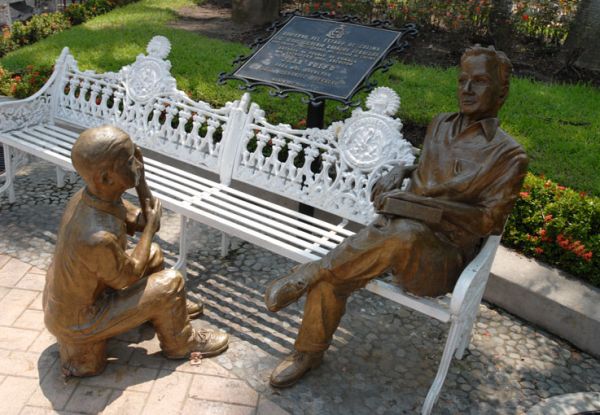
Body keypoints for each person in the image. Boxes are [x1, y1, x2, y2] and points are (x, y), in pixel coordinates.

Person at [264, 45, 529, 388]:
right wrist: (401, 171)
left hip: (439, 257)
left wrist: (432, 210)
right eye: (463, 80)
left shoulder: (509, 155)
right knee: (340, 273)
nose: (466, 89)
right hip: (390, 233)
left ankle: (309, 271)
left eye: (479, 82)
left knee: (400, 235)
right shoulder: (441, 124)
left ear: (502, 91)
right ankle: (308, 352)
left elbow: (489, 222)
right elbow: (429, 166)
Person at [43, 125, 228, 377]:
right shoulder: (96, 236)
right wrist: (149, 228)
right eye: (130, 160)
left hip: (84, 299)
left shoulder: (97, 197)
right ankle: (181, 343)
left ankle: (167, 313)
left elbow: (146, 219)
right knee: (170, 283)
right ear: (107, 177)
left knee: (152, 253)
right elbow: (129, 277)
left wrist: (141, 181)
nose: (138, 163)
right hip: (80, 321)